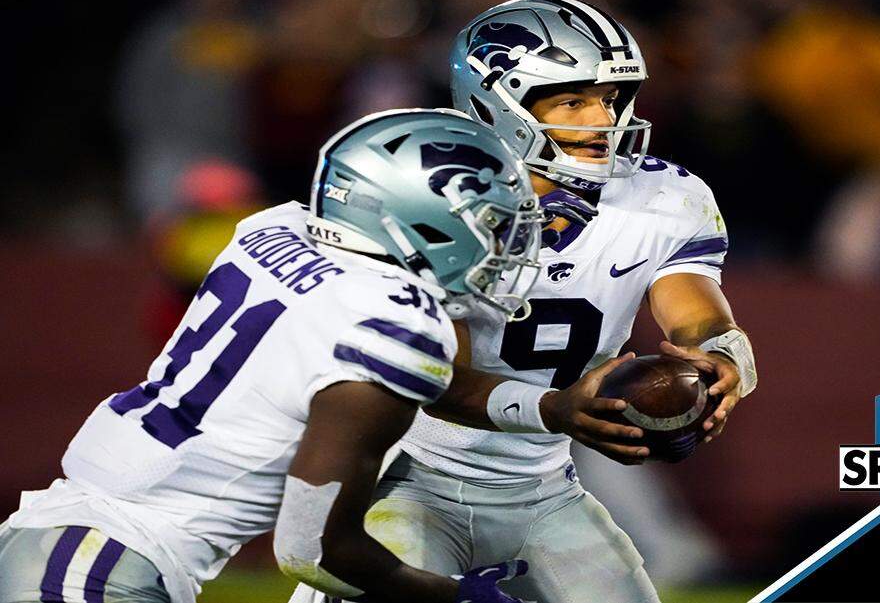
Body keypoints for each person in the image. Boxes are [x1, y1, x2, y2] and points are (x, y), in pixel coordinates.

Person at [292, 0, 759, 603]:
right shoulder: (433, 196)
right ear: (500, 104)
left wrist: (723, 357)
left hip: (545, 490)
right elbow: (438, 382)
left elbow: (693, 308)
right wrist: (553, 409)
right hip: (407, 479)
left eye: (609, 99)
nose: (603, 120)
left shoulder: (662, 197)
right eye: (573, 100)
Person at [0, 109, 545, 603]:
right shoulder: (396, 327)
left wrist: (548, 406)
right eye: (491, 226)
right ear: (424, 219)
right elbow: (313, 551)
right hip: (97, 566)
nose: (503, 248)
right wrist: (454, 595)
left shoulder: (274, 228)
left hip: (83, 542)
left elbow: (403, 380)